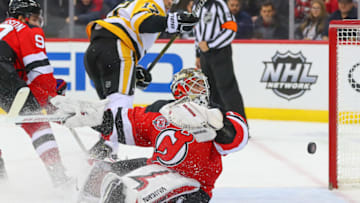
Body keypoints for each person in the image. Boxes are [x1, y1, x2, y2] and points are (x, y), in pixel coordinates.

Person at [51, 68, 249, 202]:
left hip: (193, 187)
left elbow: (236, 139)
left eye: (201, 84)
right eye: (194, 84)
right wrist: (91, 117)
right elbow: (127, 124)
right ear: (179, 89)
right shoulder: (162, 110)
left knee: (123, 192)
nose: (200, 89)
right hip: (157, 169)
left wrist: (214, 123)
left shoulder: (218, 114)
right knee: (101, 171)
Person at [83, 0, 199, 160]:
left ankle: (93, 160)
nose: (170, 3)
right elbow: (141, 22)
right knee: (120, 112)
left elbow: (127, 25)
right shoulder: (153, 2)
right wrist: (173, 21)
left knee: (111, 111)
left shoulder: (133, 3)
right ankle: (105, 151)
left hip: (97, 51)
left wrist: (133, 71)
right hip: (117, 47)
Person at [0, 0, 72, 188]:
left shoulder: (4, 27)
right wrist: (50, 98)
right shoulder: (27, 30)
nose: (38, 22)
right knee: (37, 123)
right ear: (22, 17)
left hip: (4, 71)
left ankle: (1, 180)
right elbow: (40, 71)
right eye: (35, 17)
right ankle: (60, 178)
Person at [194, 0, 247, 120]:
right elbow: (197, 30)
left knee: (227, 88)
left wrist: (211, 45)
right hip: (204, 54)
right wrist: (198, 53)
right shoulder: (198, 5)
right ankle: (220, 124)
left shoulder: (220, 4)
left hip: (220, 52)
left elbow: (231, 28)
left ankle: (238, 124)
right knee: (211, 90)